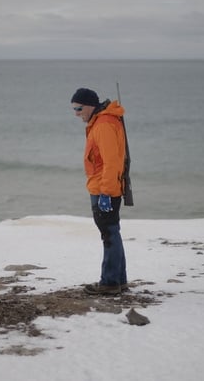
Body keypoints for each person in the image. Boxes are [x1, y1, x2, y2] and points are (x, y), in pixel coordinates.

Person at [70, 87, 128, 295]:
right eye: (74, 109)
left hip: (105, 188)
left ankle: (110, 282)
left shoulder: (103, 124)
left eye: (78, 108)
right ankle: (118, 280)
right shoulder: (102, 122)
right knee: (112, 232)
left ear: (89, 106)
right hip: (105, 186)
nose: (76, 114)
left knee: (109, 235)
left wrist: (105, 192)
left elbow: (112, 162)